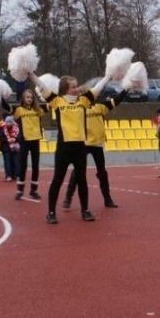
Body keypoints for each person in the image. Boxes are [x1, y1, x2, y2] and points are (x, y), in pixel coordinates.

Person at [29, 71, 109, 224]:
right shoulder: (57, 101)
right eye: (73, 87)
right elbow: (42, 87)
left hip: (80, 148)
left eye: (76, 86)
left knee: (82, 180)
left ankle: (85, 210)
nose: (76, 89)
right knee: (57, 180)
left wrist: (108, 76)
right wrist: (31, 75)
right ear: (65, 88)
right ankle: (51, 212)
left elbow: (97, 88)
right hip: (64, 148)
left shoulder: (83, 100)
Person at [64, 86, 126, 209]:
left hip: (97, 144)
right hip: (83, 144)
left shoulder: (100, 106)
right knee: (77, 171)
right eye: (83, 94)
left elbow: (116, 100)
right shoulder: (77, 108)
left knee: (102, 172)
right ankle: (68, 197)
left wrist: (126, 89)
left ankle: (107, 199)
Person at [2, 89, 47, 199]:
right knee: (23, 166)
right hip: (24, 140)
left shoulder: (38, 109)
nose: (29, 99)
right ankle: (20, 190)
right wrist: (1, 98)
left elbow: (50, 104)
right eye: (27, 97)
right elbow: (7, 107)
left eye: (31, 97)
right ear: (23, 98)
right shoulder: (19, 110)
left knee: (35, 166)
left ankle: (33, 190)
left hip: (35, 140)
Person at [0, 115, 21, 181]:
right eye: (7, 122)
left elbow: (20, 136)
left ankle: (16, 175)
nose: (9, 123)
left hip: (15, 148)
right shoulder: (2, 128)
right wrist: (7, 140)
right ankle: (8, 175)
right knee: (7, 162)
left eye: (10, 122)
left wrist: (15, 139)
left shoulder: (17, 128)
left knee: (16, 162)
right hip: (6, 148)